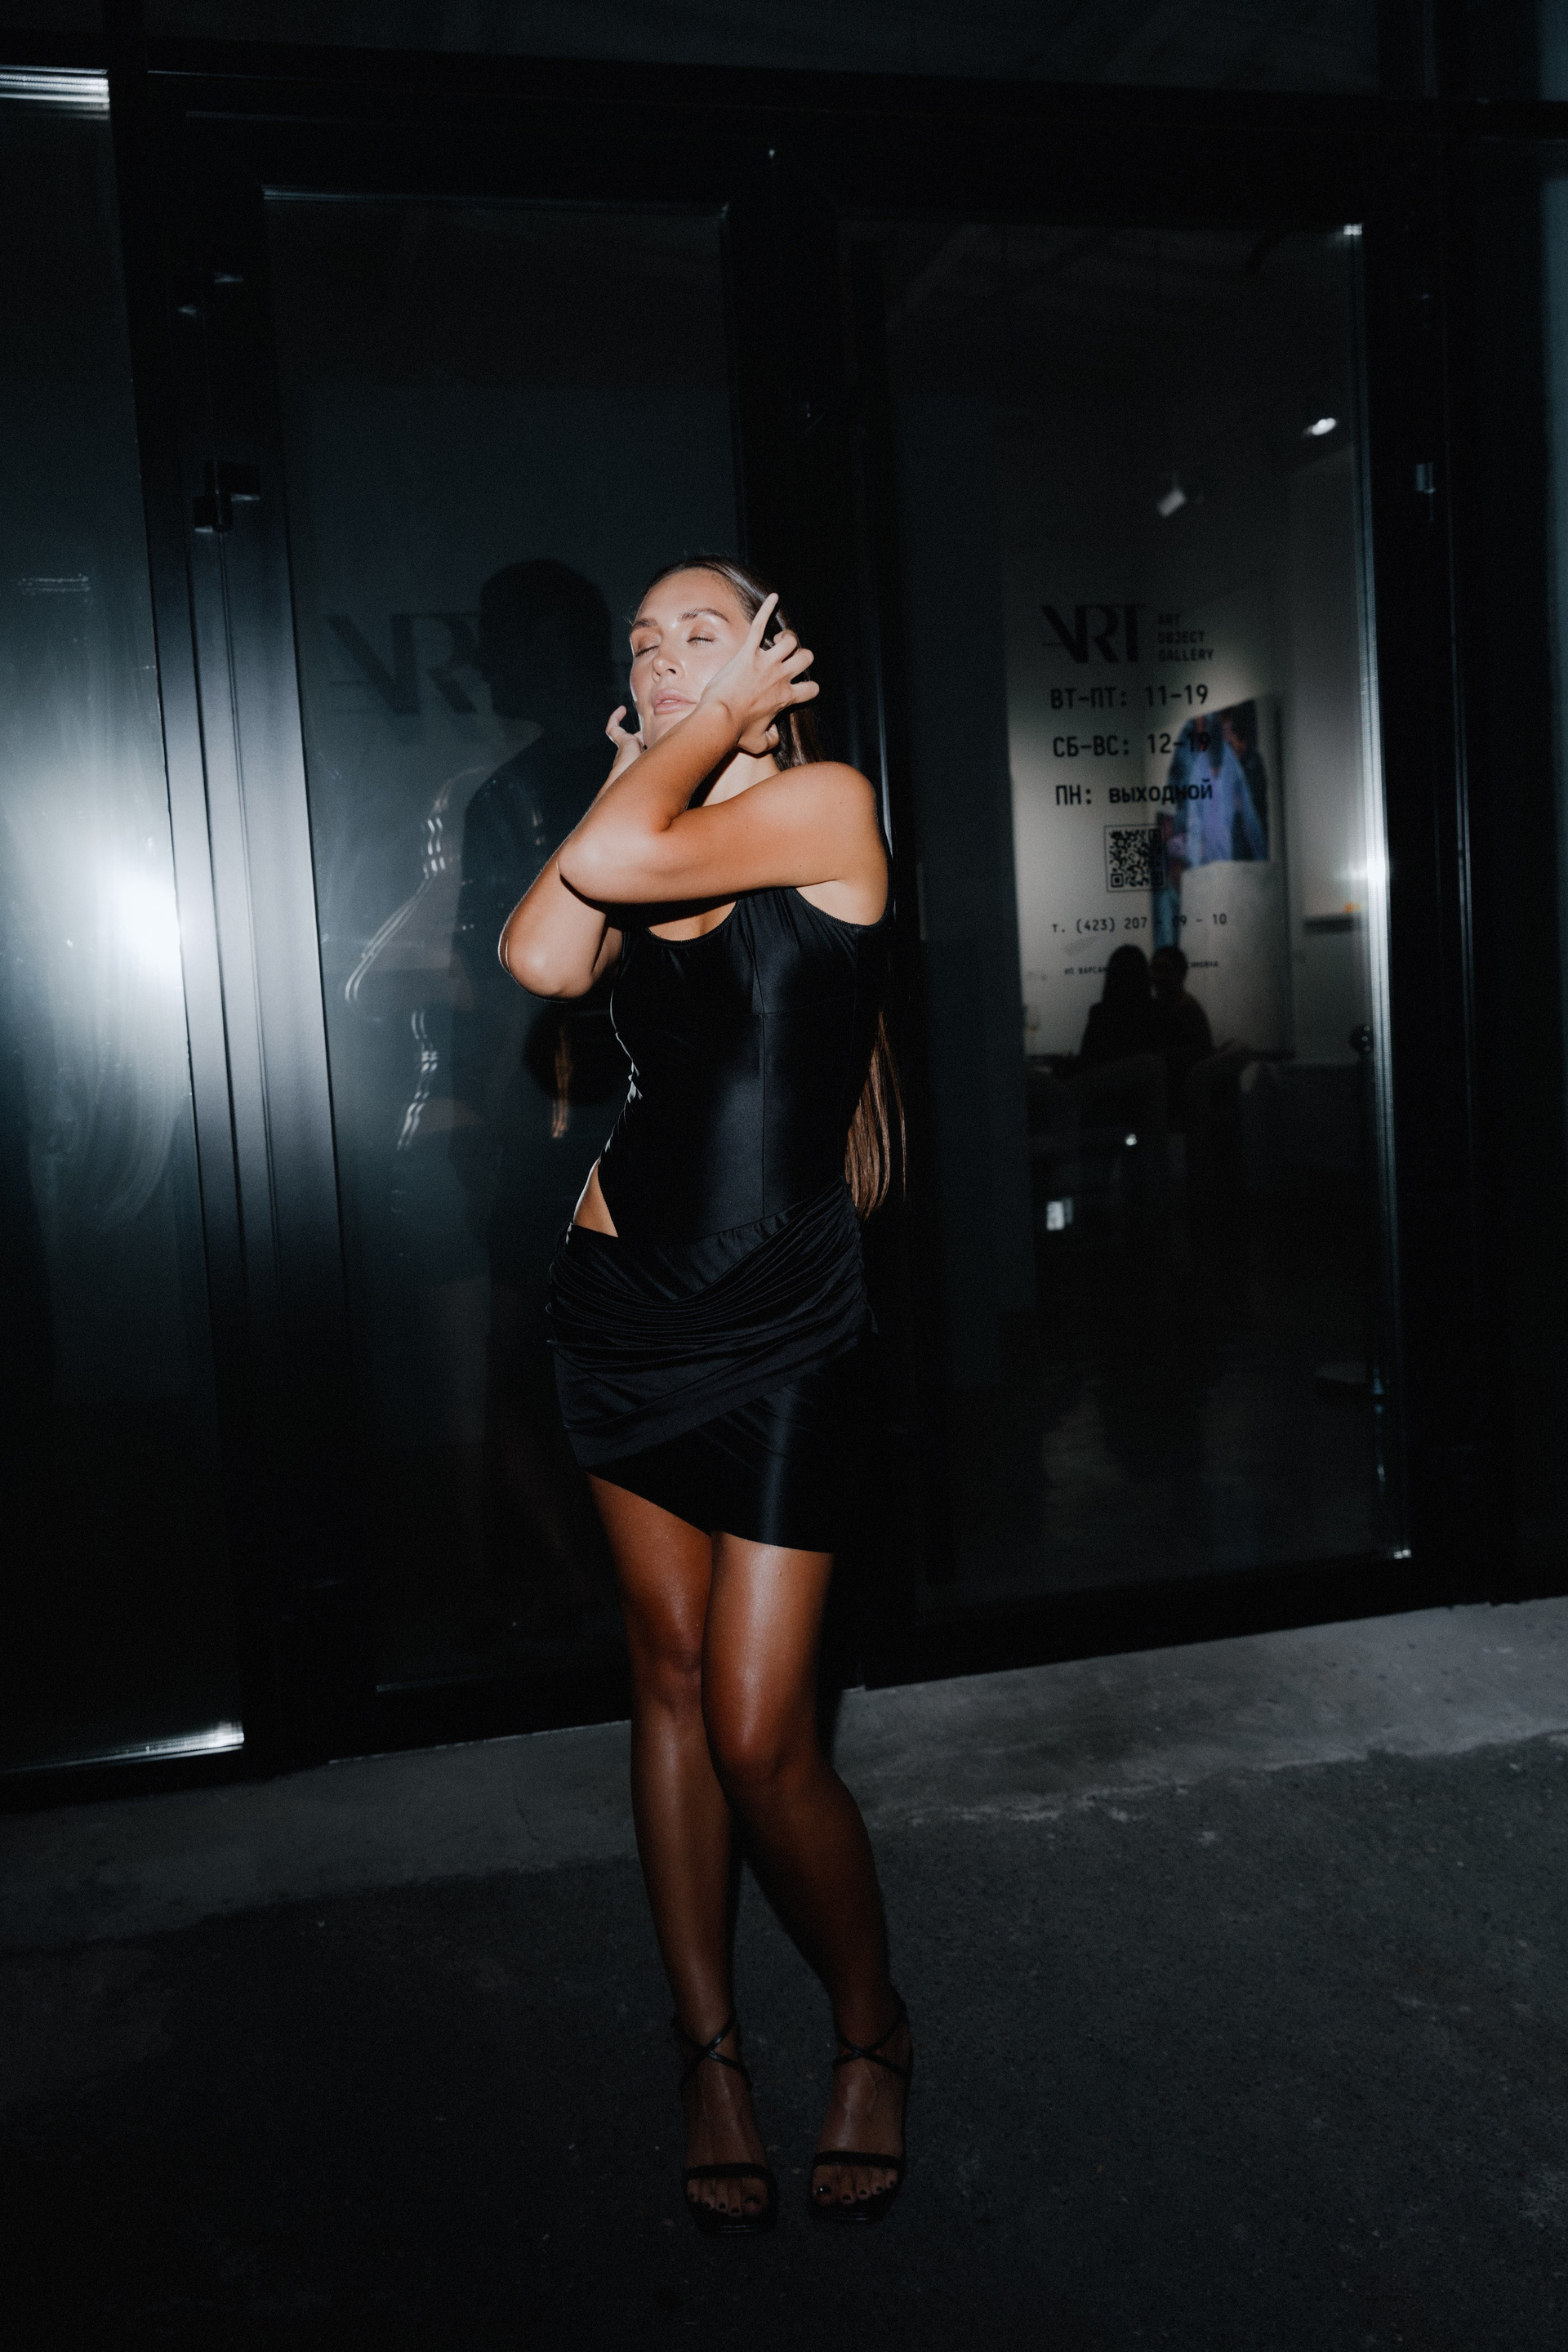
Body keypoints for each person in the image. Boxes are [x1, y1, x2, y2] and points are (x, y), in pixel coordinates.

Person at [499, 556, 911, 2235]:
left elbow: (612, 871)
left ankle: (872, 2026)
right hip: (618, 1314)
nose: (663, 656)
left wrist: (698, 740)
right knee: (663, 1685)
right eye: (643, 644)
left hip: (788, 1324)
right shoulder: (644, 819)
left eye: (701, 634)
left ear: (771, 660)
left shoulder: (825, 805)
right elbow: (545, 955)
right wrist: (648, 752)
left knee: (758, 1730)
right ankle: (711, 2053)